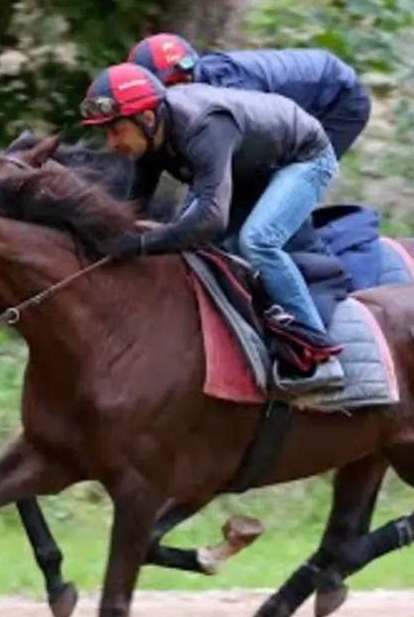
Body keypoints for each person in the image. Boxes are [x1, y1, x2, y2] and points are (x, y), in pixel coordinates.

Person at [79, 62, 345, 395]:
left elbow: (209, 219)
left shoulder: (204, 127)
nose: (110, 142)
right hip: (251, 164)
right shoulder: (149, 138)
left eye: (115, 130)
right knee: (201, 246)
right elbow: (133, 212)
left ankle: (320, 353)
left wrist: (141, 244)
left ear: (146, 119)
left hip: (304, 158)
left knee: (257, 242)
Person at [125, 33, 372, 162]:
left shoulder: (230, 89)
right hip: (310, 89)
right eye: (174, 83)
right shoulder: (199, 91)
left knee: (286, 186)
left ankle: (310, 255)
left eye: (184, 78)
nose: (182, 85)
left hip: (341, 100)